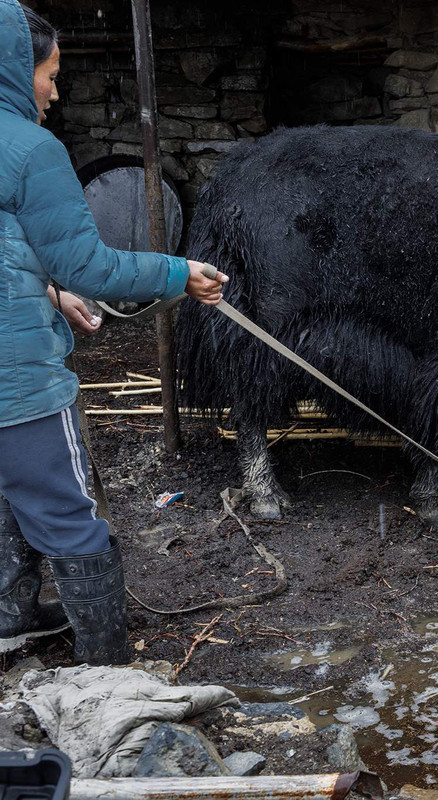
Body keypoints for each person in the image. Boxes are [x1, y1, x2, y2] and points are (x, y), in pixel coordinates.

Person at [0, 1, 227, 665]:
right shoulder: (30, 149)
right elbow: (90, 264)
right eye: (50, 73)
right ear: (15, 71)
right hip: (15, 377)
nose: (55, 89)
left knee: (8, 488)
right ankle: (107, 667)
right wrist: (178, 271)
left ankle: (12, 617)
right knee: (67, 508)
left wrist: (47, 291)